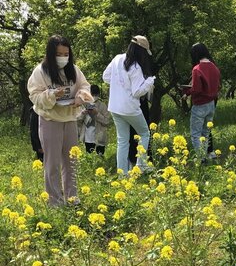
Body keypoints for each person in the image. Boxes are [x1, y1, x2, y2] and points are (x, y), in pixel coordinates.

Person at [27, 35, 92, 206]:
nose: (62, 58)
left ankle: (72, 199)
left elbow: (85, 86)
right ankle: (54, 202)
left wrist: (80, 96)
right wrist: (52, 95)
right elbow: (34, 95)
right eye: (58, 54)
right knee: (53, 162)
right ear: (50, 54)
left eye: (66, 54)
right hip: (50, 119)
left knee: (71, 161)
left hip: (70, 117)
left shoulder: (74, 70)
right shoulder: (40, 71)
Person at [103, 35, 155, 174]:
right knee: (145, 134)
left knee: (122, 141)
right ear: (141, 51)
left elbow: (106, 77)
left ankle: (122, 174)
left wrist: (119, 85)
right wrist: (149, 82)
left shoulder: (117, 59)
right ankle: (141, 165)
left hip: (114, 106)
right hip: (130, 108)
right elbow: (137, 91)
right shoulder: (136, 66)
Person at [182, 43, 221, 159]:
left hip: (200, 104)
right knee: (206, 132)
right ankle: (207, 154)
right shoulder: (214, 67)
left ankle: (201, 158)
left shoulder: (197, 69)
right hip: (211, 104)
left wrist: (187, 93)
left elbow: (197, 89)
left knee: (195, 134)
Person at [76, 85, 111, 155]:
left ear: (98, 95)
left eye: (95, 95)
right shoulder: (83, 105)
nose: (93, 97)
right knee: (89, 157)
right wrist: (83, 113)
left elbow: (107, 121)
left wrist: (97, 114)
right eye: (92, 95)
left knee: (100, 157)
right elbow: (77, 121)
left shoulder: (102, 106)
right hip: (87, 137)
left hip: (99, 137)